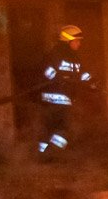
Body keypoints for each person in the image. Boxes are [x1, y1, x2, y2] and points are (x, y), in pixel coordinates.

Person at [37, 24, 93, 158]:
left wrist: (92, 81)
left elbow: (82, 74)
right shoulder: (54, 55)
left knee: (53, 130)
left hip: (64, 99)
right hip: (52, 100)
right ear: (68, 40)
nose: (79, 44)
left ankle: (45, 156)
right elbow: (46, 70)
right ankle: (50, 154)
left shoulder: (75, 58)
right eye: (77, 41)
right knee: (64, 130)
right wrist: (58, 78)